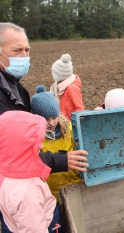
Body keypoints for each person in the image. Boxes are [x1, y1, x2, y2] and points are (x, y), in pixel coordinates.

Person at [0, 22, 88, 171]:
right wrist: (60, 161)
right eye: (16, 50)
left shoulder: (19, 89)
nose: (24, 56)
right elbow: (11, 154)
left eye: (27, 50)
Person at [31, 85, 84, 232]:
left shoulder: (70, 129)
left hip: (75, 186)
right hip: (52, 194)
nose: (51, 123)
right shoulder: (35, 140)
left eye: (54, 117)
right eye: (46, 119)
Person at [0, 111, 62, 232]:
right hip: (46, 224)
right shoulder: (27, 191)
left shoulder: (7, 171)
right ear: (21, 147)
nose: (42, 147)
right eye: (36, 143)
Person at [50, 53, 84, 121]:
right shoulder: (58, 88)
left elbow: (80, 110)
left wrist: (73, 125)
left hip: (70, 126)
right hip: (63, 123)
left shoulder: (72, 88)